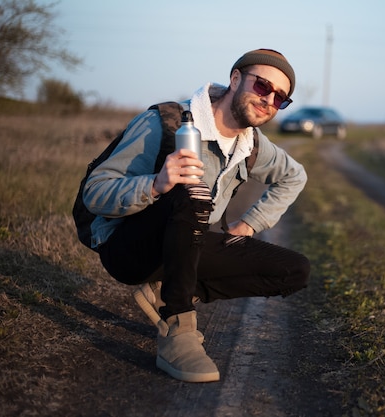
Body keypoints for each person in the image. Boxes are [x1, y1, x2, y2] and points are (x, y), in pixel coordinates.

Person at [82, 49, 310, 383]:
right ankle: (178, 326)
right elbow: (95, 193)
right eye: (262, 86)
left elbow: (295, 176)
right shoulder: (165, 124)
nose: (269, 100)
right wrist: (157, 185)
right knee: (191, 190)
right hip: (128, 249)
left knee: (294, 271)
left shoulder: (252, 145)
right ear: (235, 79)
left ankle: (174, 288)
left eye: (280, 99)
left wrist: (249, 225)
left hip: (185, 246)